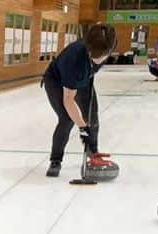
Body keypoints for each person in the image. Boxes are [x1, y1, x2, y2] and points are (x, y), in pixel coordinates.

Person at [40, 23, 118, 178]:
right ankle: (55, 160)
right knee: (67, 119)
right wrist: (82, 128)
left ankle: (93, 154)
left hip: (83, 77)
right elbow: (68, 100)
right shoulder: (74, 61)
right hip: (56, 80)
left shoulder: (109, 41)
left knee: (92, 118)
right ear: (89, 50)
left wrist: (87, 126)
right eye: (96, 57)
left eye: (103, 56)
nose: (100, 60)